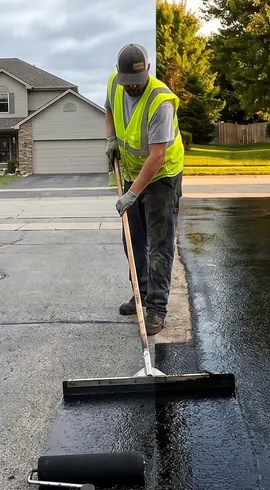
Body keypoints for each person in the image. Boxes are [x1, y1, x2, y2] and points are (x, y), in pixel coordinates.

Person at [105, 44, 185, 336]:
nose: (132, 87)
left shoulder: (160, 101)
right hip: (131, 172)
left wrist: (131, 194)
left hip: (162, 176)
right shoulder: (115, 83)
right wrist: (111, 138)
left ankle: (156, 309)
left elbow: (157, 156)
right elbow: (109, 109)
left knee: (158, 245)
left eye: (137, 81)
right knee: (133, 240)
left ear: (148, 71)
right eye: (127, 81)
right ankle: (139, 295)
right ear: (119, 74)